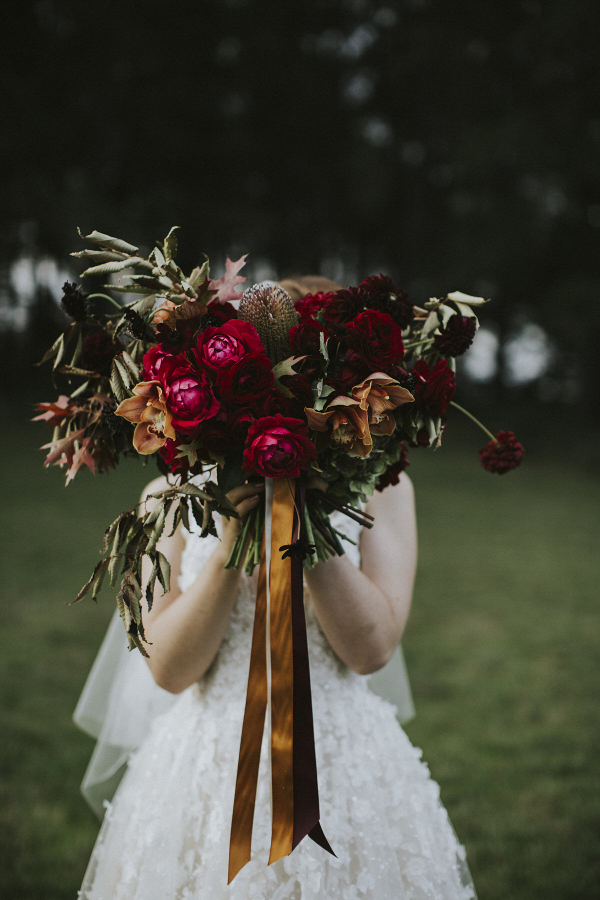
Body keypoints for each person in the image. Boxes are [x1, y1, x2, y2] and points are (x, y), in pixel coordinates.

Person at [77, 278, 476, 899]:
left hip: (342, 764)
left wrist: (302, 519)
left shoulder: (383, 490)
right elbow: (170, 671)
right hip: (204, 765)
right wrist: (234, 537)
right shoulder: (169, 496)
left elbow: (371, 651)